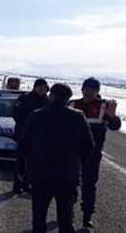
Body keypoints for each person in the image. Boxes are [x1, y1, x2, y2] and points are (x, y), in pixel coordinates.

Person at [16, 83, 96, 233]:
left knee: (39, 218)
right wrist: (76, 164)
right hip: (66, 176)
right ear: (67, 99)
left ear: (50, 96)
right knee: (65, 219)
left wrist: (20, 168)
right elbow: (89, 146)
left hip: (40, 175)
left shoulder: (36, 116)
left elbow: (23, 145)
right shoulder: (78, 117)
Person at [68, 77, 122, 228]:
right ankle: (68, 213)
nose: (88, 92)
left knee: (89, 186)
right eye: (86, 88)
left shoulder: (103, 106)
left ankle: (87, 216)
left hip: (92, 155)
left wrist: (113, 117)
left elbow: (115, 126)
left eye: (92, 89)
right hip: (73, 154)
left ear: (97, 91)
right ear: (82, 89)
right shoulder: (72, 104)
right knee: (70, 184)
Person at [11, 78, 49, 194]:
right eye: (40, 87)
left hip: (39, 137)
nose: (42, 89)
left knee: (33, 161)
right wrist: (25, 127)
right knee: (20, 160)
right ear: (35, 87)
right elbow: (15, 113)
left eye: (44, 87)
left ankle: (27, 183)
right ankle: (17, 184)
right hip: (24, 133)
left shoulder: (47, 101)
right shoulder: (24, 99)